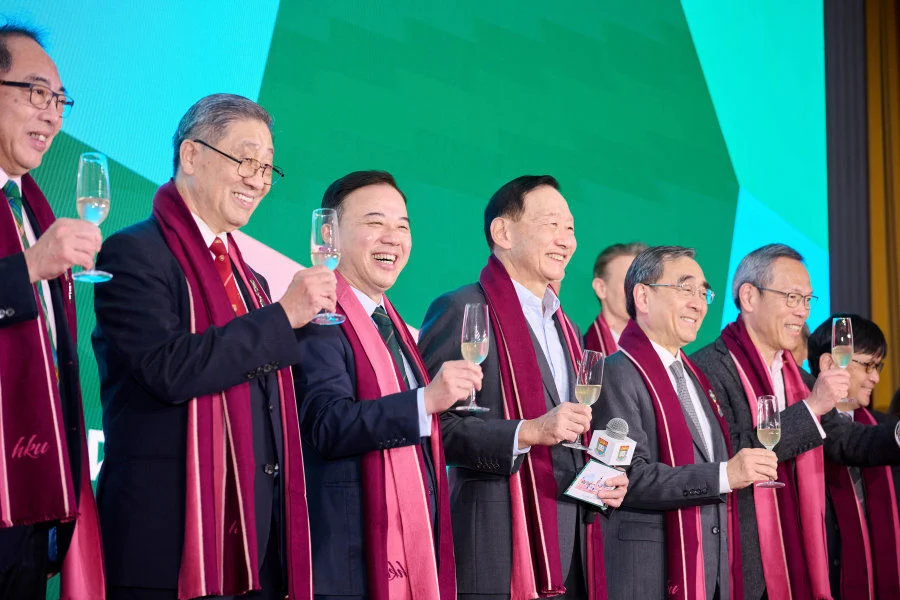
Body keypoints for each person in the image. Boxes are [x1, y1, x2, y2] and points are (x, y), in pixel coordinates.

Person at [92, 94, 337, 600]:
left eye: (268, 169)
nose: (258, 180)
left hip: (250, 542)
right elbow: (169, 369)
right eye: (246, 160)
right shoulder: (134, 253)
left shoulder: (248, 277)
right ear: (191, 155)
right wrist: (284, 318)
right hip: (166, 541)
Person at [418, 175, 628, 600]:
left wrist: (604, 477)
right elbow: (439, 430)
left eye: (570, 228)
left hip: (569, 544)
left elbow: (574, 432)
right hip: (494, 543)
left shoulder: (564, 325)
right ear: (503, 232)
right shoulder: (462, 309)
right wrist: (527, 431)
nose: (566, 240)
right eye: (552, 224)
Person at [293, 170, 478, 600]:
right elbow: (327, 424)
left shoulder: (392, 324)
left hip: (411, 542)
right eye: (375, 223)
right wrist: (425, 401)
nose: (392, 238)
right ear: (329, 234)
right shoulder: (319, 317)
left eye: (402, 227)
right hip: (347, 557)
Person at [691, 243, 900, 600]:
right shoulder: (707, 368)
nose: (802, 311)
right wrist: (811, 407)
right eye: (791, 297)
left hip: (797, 552)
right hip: (742, 561)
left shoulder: (798, 379)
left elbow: (846, 442)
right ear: (749, 296)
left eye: (807, 299)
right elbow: (727, 454)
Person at [593, 245, 776, 600]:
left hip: (709, 575)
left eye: (703, 292)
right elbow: (622, 478)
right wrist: (724, 476)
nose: (699, 303)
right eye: (684, 289)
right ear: (643, 296)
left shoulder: (695, 377)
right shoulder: (616, 373)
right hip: (648, 578)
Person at [0, 24, 104, 599]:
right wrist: (28, 269)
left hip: (29, 502)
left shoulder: (31, 205)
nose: (54, 114)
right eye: (37, 93)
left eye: (60, 100)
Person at [807, 313, 900, 599]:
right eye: (868, 365)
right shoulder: (802, 429)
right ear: (829, 363)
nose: (876, 377)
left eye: (879, 366)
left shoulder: (886, 429)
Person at [584, 242, 647, 355]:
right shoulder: (579, 353)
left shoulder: (661, 349)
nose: (639, 292)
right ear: (601, 288)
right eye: (629, 282)